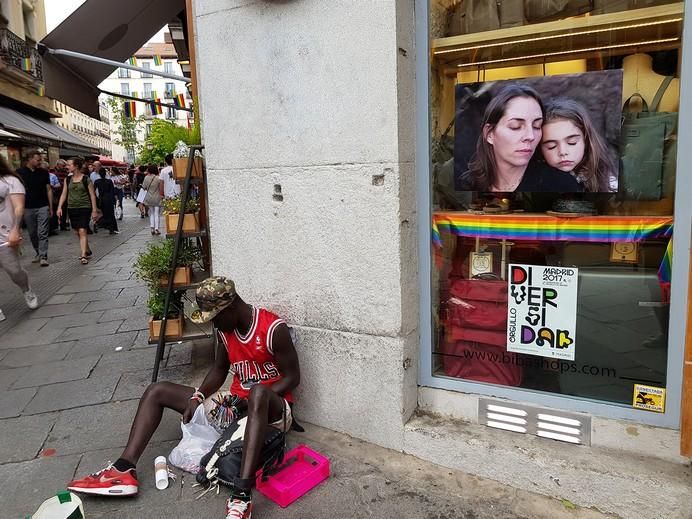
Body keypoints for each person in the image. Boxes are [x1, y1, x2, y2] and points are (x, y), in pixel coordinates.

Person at [67, 276, 300, 519]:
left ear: (230, 308)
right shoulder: (226, 332)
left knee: (257, 393)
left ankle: (241, 496)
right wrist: (198, 396)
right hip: (233, 405)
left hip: (272, 411)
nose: (215, 326)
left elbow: (293, 377)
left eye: (215, 319)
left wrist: (251, 401)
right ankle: (123, 469)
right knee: (157, 390)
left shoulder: (273, 329)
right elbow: (219, 369)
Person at [458, 84, 582, 193]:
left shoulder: (561, 185)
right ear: (489, 133)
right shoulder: (465, 185)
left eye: (536, 126)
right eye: (515, 127)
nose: (530, 136)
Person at [540, 98, 617, 193]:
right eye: (551, 146)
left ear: (586, 140)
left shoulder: (607, 181)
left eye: (572, 142)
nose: (563, 152)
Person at [0, 155, 39, 321]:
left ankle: (26, 288)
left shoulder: (10, 181)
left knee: (14, 271)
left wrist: (16, 229)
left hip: (5, 235)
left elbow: (18, 207)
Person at [56, 158, 99, 265]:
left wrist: (94, 210)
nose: (67, 166)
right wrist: (59, 207)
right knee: (77, 231)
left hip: (84, 207)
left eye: (69, 164)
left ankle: (83, 255)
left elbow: (92, 195)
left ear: (76, 166)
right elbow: (64, 194)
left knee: (82, 230)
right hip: (72, 208)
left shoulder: (86, 179)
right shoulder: (68, 179)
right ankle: (87, 249)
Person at [17, 150, 53, 266]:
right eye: (38, 160)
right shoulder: (20, 173)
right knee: (32, 233)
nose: (40, 162)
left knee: (42, 232)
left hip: (42, 206)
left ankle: (43, 256)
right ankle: (38, 252)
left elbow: (48, 190)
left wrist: (51, 207)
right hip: (27, 207)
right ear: (30, 159)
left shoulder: (43, 172)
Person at [94, 169, 119, 234]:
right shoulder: (109, 181)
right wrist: (114, 200)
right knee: (110, 215)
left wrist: (96, 199)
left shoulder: (97, 181)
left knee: (105, 214)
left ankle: (100, 224)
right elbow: (112, 191)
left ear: (99, 174)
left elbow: (93, 191)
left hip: (101, 199)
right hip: (109, 199)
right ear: (105, 174)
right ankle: (110, 228)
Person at [141, 164, 163, 235]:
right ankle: (157, 229)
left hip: (149, 197)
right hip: (157, 197)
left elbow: (144, 187)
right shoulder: (158, 178)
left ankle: (152, 228)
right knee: (157, 213)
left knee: (151, 213)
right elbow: (160, 189)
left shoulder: (146, 178)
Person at [54, 160, 70, 230]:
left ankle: (63, 225)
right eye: (63, 166)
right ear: (58, 165)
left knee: (64, 208)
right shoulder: (53, 172)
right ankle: (55, 225)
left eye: (64, 166)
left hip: (64, 193)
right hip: (56, 193)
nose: (64, 167)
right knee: (55, 208)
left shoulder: (65, 173)